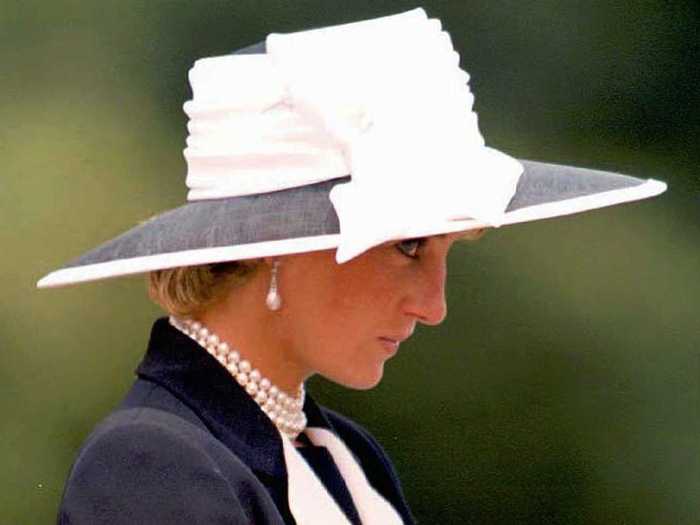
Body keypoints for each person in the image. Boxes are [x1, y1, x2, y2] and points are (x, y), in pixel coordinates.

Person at [38, 8, 666, 525]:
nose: (434, 306)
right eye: (409, 246)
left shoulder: (349, 461)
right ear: (275, 240)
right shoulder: (151, 465)